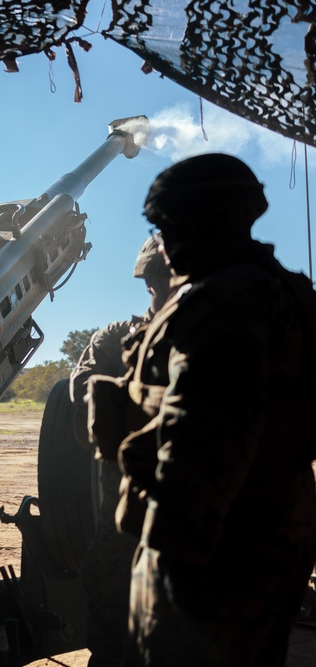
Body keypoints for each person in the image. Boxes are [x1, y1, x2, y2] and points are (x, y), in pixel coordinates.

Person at [105, 153, 316, 666]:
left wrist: (168, 563)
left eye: (167, 225)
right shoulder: (280, 287)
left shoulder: (223, 300)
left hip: (215, 549)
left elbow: (204, 438)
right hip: (265, 532)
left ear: (202, 222)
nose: (164, 242)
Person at [69, 235, 173, 667]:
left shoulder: (210, 330)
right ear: (148, 281)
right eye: (159, 276)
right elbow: (81, 389)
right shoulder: (118, 337)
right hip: (126, 499)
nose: (166, 285)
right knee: (113, 591)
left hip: (195, 498)